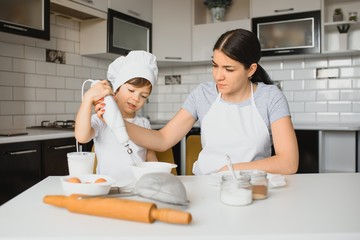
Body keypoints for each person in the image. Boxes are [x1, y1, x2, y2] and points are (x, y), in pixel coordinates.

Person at [96, 29, 299, 175]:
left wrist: (230, 170)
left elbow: (288, 162)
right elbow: (162, 139)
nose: (218, 76)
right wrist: (115, 120)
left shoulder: (270, 97)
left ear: (251, 70)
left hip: (252, 186)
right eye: (215, 65)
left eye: (228, 69)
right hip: (207, 185)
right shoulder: (203, 94)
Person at [75, 50, 159, 181]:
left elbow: (150, 156)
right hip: (108, 187)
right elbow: (82, 137)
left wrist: (159, 178)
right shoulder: (101, 119)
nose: (136, 98)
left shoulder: (143, 123)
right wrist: (88, 99)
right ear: (116, 90)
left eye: (143, 96)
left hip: (137, 186)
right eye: (131, 90)